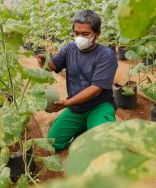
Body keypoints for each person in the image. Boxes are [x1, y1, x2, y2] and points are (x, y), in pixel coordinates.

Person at [35, 10, 118, 150]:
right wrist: (44, 62)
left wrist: (67, 103)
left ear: (97, 35)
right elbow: (52, 66)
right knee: (52, 143)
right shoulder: (69, 48)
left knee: (103, 145)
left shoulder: (106, 55)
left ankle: (90, 128)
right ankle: (83, 129)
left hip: (99, 106)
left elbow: (95, 89)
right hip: (77, 108)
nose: (79, 37)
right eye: (76, 33)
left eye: (85, 34)